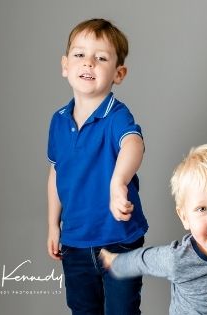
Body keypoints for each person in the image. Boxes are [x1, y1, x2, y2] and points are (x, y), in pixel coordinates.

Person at [46, 18, 148, 315]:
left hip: (119, 239)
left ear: (119, 73)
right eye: (80, 55)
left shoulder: (116, 116)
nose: (88, 63)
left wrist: (118, 183)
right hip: (75, 241)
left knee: (122, 310)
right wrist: (54, 224)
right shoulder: (59, 120)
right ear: (65, 65)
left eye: (101, 58)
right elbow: (56, 172)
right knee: (83, 310)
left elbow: (133, 144)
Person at [100, 144, 207, 315]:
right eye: (202, 209)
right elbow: (143, 261)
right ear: (184, 217)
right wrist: (114, 262)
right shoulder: (178, 260)